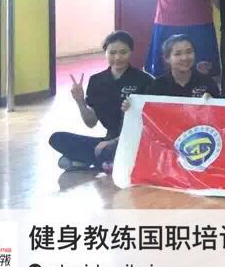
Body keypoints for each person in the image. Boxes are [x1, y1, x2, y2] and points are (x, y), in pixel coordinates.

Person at [51, 30, 153, 171]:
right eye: (112, 53)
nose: (118, 57)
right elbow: (91, 123)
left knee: (107, 150)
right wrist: (80, 101)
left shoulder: (145, 80)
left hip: (136, 139)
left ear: (131, 52)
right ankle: (105, 162)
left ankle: (90, 161)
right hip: (107, 140)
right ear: (105, 53)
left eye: (123, 52)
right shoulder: (96, 81)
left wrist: (114, 141)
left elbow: (149, 123)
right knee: (57, 138)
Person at [150, 33, 219, 98]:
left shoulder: (208, 82)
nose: (184, 58)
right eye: (178, 54)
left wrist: (211, 101)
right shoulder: (157, 86)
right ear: (167, 58)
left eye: (189, 52)